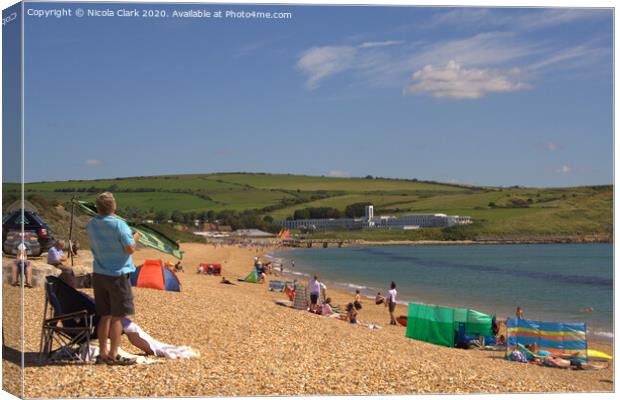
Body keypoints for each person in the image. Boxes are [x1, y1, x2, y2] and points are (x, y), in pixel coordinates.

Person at [86, 192, 139, 366]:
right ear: (113, 206)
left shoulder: (91, 224)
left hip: (99, 273)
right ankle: (113, 354)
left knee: (104, 315)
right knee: (118, 316)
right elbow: (129, 249)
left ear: (98, 207)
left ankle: (102, 353)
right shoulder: (120, 225)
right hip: (117, 275)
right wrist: (136, 237)